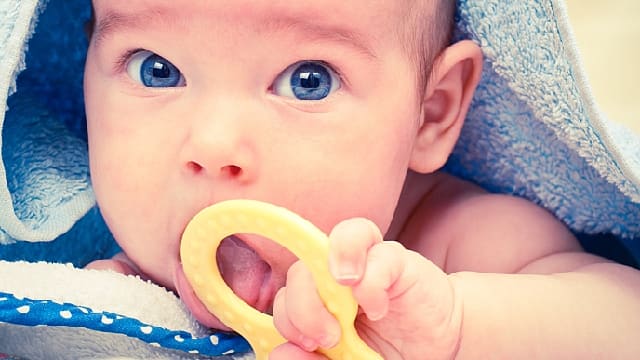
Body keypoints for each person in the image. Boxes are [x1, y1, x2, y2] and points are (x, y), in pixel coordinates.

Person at [84, 0, 640, 358]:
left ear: (431, 112)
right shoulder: (98, 281)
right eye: (155, 69)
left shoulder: (458, 239)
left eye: (309, 81)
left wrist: (460, 328)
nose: (211, 145)